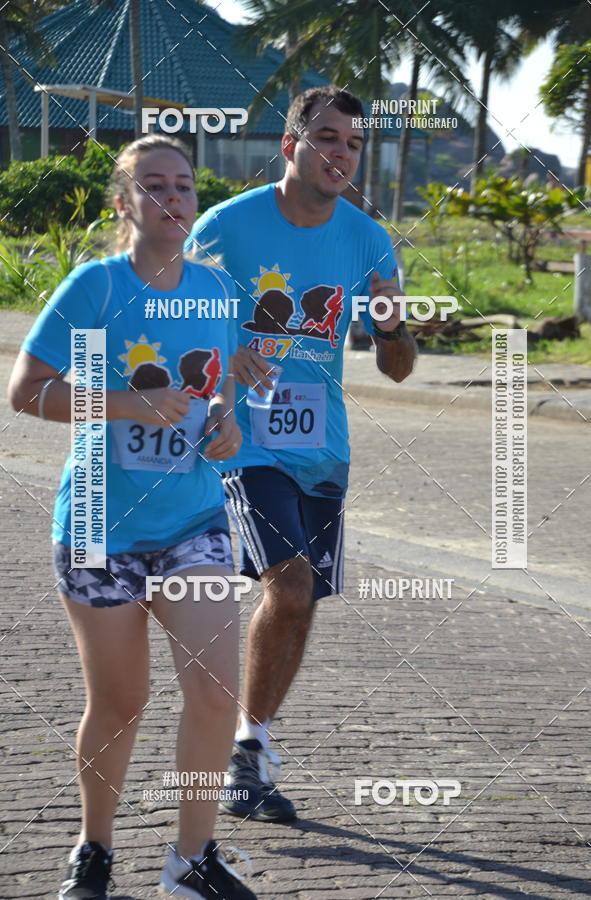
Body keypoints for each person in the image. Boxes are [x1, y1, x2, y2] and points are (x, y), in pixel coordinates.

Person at [8, 135, 257, 900]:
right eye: (154, 186)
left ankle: (192, 860)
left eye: (183, 186)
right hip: (98, 523)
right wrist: (127, 403)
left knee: (217, 692)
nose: (173, 198)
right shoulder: (96, 286)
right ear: (124, 204)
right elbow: (27, 391)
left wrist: (227, 424)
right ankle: (94, 849)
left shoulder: (217, 292)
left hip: (194, 517)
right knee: (120, 703)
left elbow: (221, 397)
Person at [186, 86, 417, 823]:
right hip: (239, 438)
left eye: (353, 143)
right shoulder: (226, 228)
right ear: (290, 147)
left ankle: (250, 748)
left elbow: (400, 368)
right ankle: (236, 748)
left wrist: (389, 324)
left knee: (301, 599)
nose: (341, 153)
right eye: (326, 137)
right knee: (287, 587)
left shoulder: (368, 240)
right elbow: (169, 322)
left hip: (322, 446)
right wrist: (230, 348)